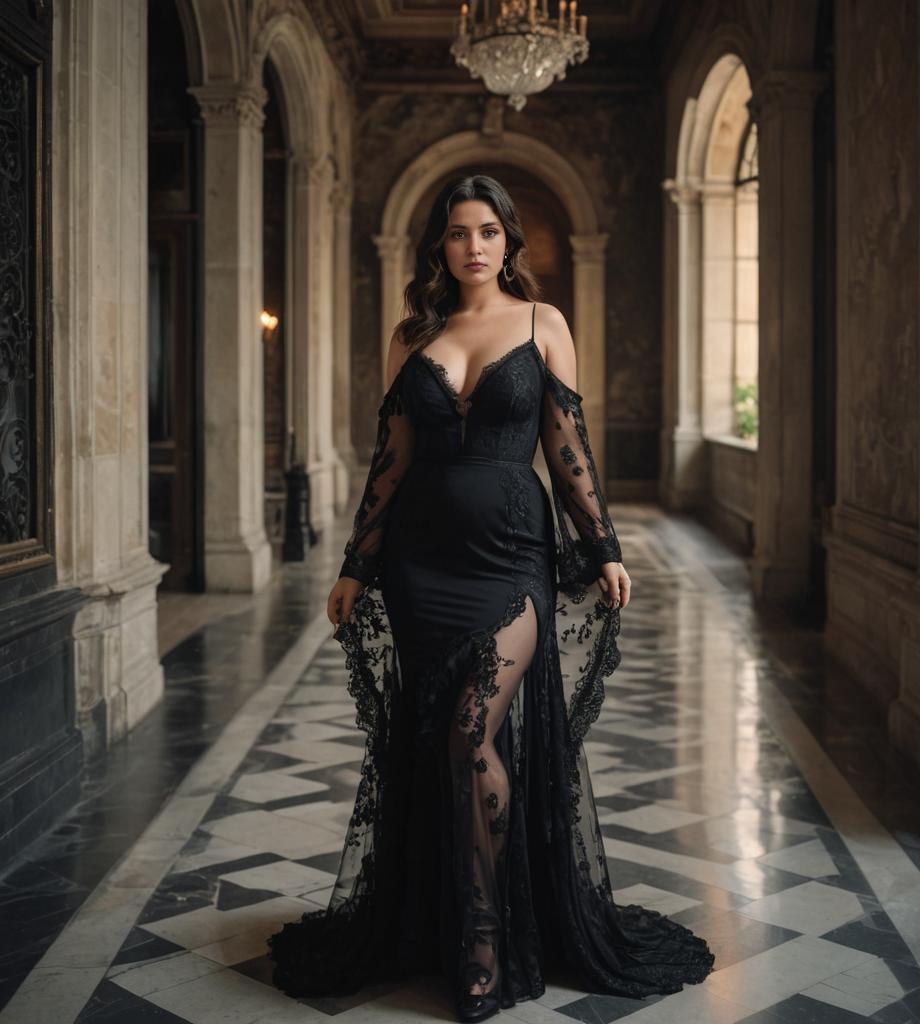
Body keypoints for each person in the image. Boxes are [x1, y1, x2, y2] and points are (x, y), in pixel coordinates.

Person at [266, 175, 714, 1022]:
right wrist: (356, 565)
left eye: (487, 232)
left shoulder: (545, 325)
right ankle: (455, 924)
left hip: (512, 561)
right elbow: (390, 461)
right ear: (440, 247)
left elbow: (567, 445)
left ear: (510, 243)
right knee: (443, 738)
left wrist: (604, 546)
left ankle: (485, 940)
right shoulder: (412, 336)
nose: (473, 245)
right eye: (457, 233)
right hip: (420, 566)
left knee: (474, 727)